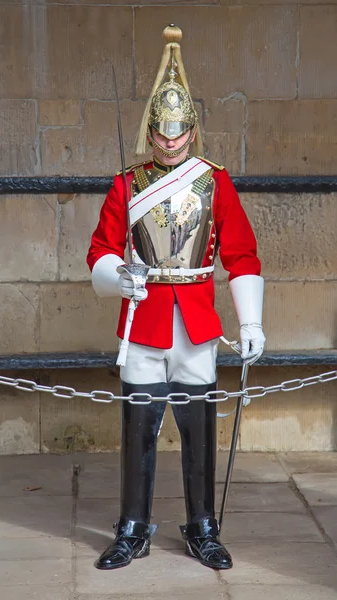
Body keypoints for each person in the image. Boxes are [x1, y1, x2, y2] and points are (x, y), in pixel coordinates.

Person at [86, 24, 265, 571]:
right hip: (144, 319)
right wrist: (120, 277)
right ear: (150, 131)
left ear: (191, 129)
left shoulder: (215, 181)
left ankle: (203, 525)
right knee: (138, 430)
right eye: (160, 135)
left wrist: (250, 322)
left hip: (196, 320)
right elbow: (99, 251)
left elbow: (241, 254)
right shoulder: (126, 183)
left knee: (199, 432)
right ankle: (133, 526)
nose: (168, 143)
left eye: (178, 133)